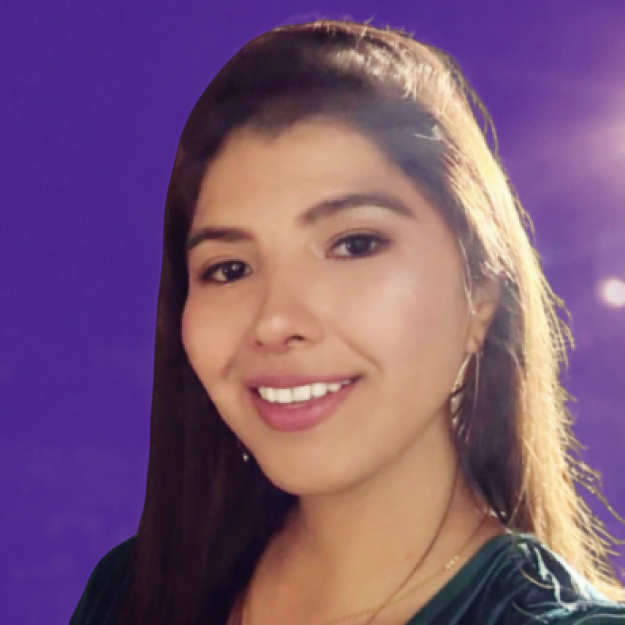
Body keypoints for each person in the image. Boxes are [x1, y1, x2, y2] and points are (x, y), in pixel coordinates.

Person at [69, 18, 625, 625]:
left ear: (482, 292)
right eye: (229, 269)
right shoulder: (130, 593)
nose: (275, 320)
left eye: (354, 245)